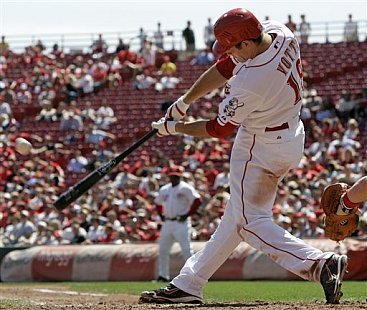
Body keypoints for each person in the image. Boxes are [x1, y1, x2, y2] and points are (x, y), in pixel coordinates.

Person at [140, 8, 348, 305]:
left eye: (233, 48)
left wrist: (175, 128)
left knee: (250, 221)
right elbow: (226, 66)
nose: (229, 55)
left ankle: (318, 264)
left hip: (259, 144)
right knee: (236, 218)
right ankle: (189, 283)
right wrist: (185, 101)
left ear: (246, 43)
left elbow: (218, 128)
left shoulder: (251, 82)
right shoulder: (280, 32)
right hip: (289, 134)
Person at [154, 165, 202, 282]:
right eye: (172, 176)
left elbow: (197, 200)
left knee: (186, 249)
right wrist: (161, 215)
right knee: (163, 250)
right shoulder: (164, 189)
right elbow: (158, 203)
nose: (174, 178)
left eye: (176, 176)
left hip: (181, 222)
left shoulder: (186, 188)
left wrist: (187, 214)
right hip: (168, 222)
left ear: (180, 176)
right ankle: (163, 275)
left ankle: (192, 275)